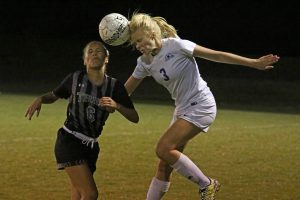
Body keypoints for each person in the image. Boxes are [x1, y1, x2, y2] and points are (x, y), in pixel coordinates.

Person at [124, 12, 279, 200]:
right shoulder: (144, 62)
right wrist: (106, 100)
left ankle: (207, 184)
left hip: (201, 104)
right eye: (135, 44)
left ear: (152, 33)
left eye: (140, 40)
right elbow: (125, 92)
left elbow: (218, 56)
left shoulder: (177, 45)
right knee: (164, 165)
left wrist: (254, 63)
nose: (139, 46)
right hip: (182, 108)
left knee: (163, 148)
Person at [25, 41, 139, 200]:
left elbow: (134, 117)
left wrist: (117, 105)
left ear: (106, 58)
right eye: (90, 51)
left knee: (78, 194)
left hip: (91, 146)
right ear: (85, 60)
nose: (94, 53)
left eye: (99, 51)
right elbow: (53, 95)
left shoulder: (115, 86)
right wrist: (41, 98)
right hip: (70, 140)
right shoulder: (75, 78)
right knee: (91, 194)